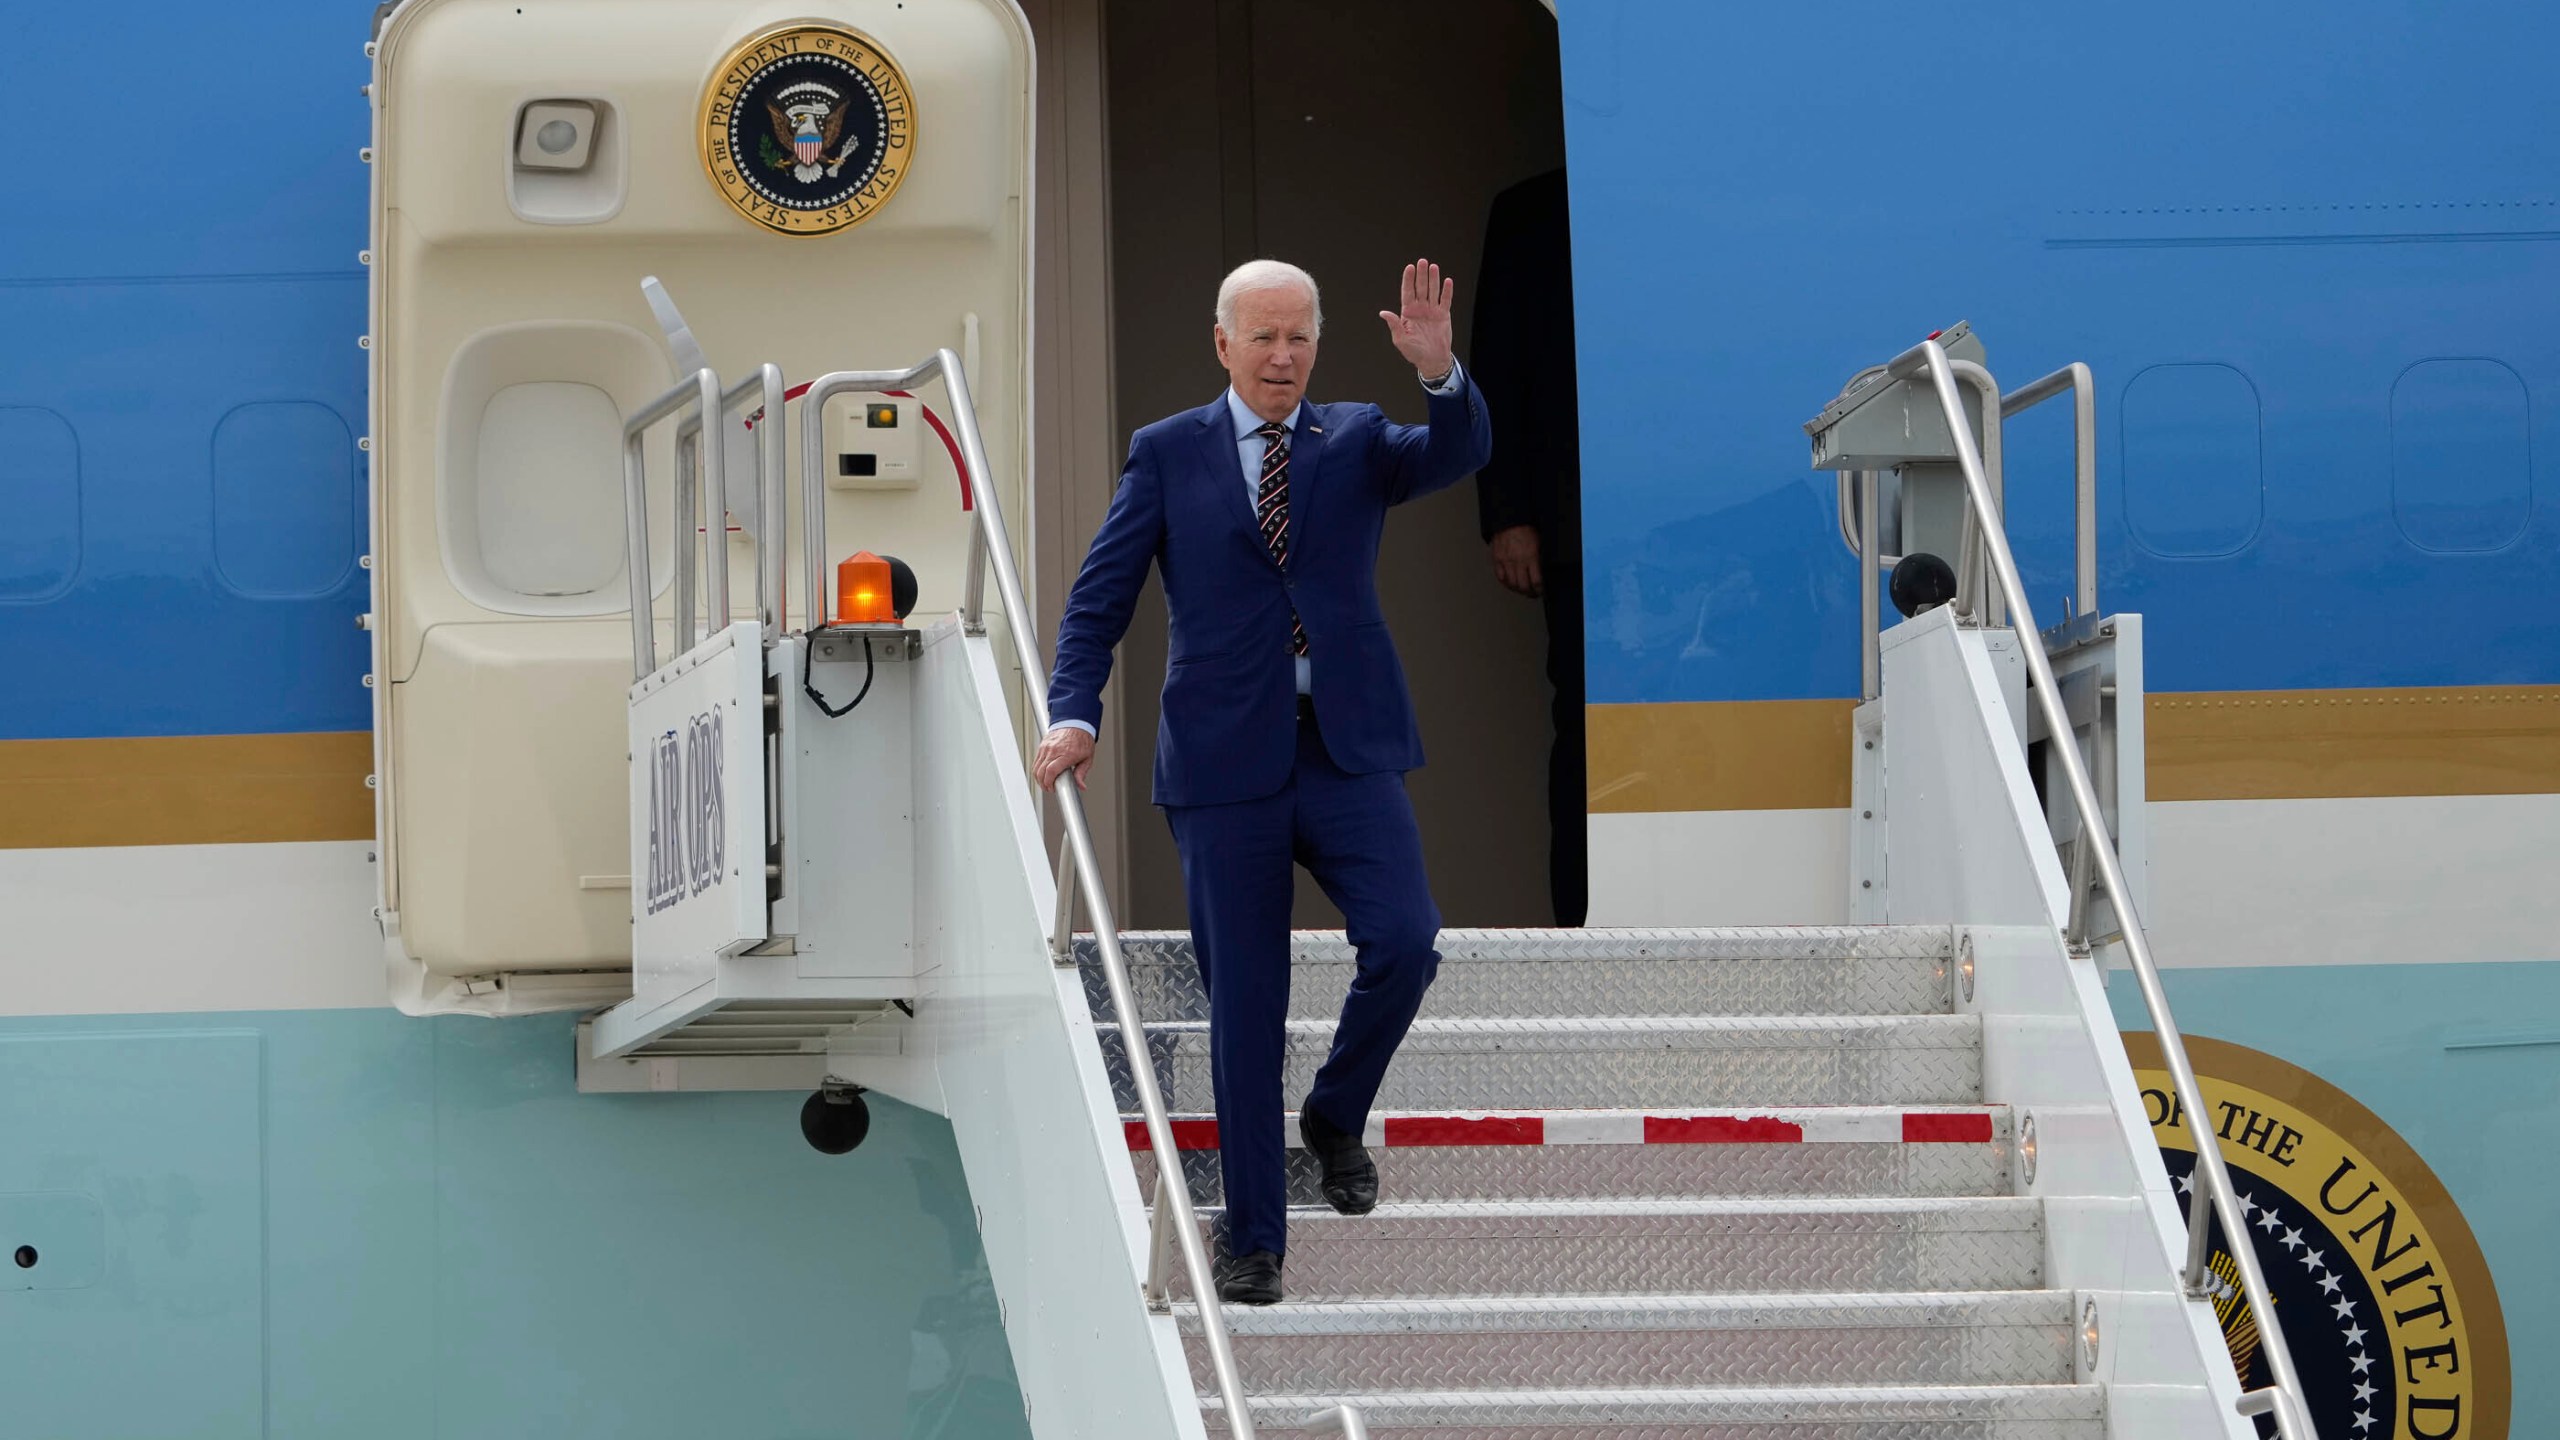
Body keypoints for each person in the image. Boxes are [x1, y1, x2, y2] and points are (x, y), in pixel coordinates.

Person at [1034, 257, 1491, 1305]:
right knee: (1247, 1005)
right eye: (1264, 337)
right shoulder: (1166, 454)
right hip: (1221, 762)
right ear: (1222, 343)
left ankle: (1333, 1114)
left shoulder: (1360, 438)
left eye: (1300, 338)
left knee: (1406, 941)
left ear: (1317, 347)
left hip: (1345, 749)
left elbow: (1460, 451)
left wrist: (1438, 374)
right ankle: (1254, 1241)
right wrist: (1074, 711)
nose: (1283, 357)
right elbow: (1098, 601)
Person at [1470, 168, 1585, 926]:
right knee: (1580, 721)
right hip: (1570, 518)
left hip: (1694, 516)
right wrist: (1506, 513)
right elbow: (1497, 367)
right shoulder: (1532, 207)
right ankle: (1578, 917)